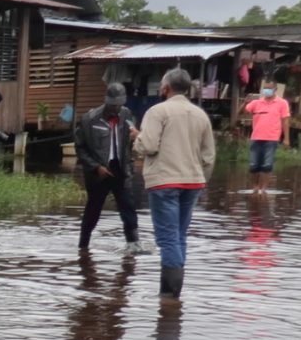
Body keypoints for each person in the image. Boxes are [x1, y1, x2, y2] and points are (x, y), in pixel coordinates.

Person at [134, 66, 216, 299]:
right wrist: (201, 180)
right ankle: (172, 298)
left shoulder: (157, 111)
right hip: (193, 183)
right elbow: (209, 156)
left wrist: (136, 139)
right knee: (179, 236)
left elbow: (148, 146)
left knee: (168, 238)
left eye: (161, 84)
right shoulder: (200, 115)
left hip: (164, 182)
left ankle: (169, 296)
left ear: (166, 88)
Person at [73, 84, 141, 253]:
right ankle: (83, 246)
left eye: (119, 105)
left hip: (121, 169)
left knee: (128, 207)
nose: (116, 108)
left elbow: (130, 142)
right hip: (99, 172)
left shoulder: (127, 115)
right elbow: (80, 148)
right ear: (106, 101)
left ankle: (134, 245)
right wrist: (96, 167)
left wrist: (137, 137)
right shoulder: (89, 119)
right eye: (113, 105)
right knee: (93, 210)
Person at [241, 80, 292, 183]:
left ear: (275, 90)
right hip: (256, 138)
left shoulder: (282, 103)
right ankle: (255, 189)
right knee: (253, 166)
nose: (266, 90)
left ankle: (263, 190)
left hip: (271, 139)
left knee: (267, 165)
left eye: (269, 88)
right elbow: (242, 113)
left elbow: (285, 122)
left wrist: (286, 139)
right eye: (265, 88)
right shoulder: (256, 103)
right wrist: (244, 103)